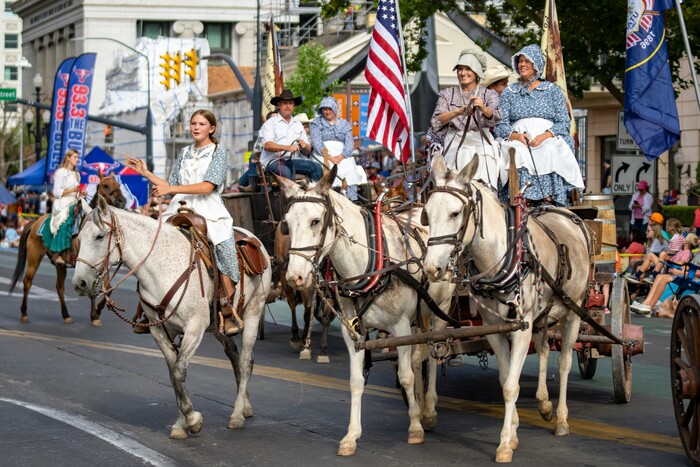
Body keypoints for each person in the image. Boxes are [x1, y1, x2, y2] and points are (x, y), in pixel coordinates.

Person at [127, 109, 243, 336]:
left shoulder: (218, 152)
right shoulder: (184, 152)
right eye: (193, 123)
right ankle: (145, 307)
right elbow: (170, 183)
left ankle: (227, 309)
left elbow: (208, 187)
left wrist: (171, 189)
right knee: (153, 243)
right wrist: (147, 173)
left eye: (201, 124)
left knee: (222, 243)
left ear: (211, 128)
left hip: (208, 208)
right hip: (179, 206)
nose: (196, 127)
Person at [496, 44, 584, 206]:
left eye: (526, 61)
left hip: (546, 136)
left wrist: (545, 135)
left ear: (536, 64)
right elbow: (501, 124)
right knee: (518, 152)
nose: (522, 64)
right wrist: (516, 136)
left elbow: (564, 123)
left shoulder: (552, 90)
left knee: (550, 149)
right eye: (520, 61)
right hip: (520, 138)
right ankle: (522, 195)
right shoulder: (509, 92)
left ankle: (551, 195)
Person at [430, 48, 501, 189]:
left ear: (477, 72)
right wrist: (458, 112)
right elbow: (437, 120)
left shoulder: (489, 94)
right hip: (456, 139)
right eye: (460, 69)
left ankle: (487, 195)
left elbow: (496, 117)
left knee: (487, 157)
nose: (463, 73)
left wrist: (483, 108)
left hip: (481, 140)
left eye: (468, 68)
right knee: (458, 166)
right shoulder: (447, 93)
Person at [310, 96, 366, 201]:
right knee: (325, 169)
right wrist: (329, 157)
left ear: (335, 109)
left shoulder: (345, 125)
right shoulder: (316, 123)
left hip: (342, 155)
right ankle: (329, 199)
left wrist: (342, 156)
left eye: (330, 109)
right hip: (323, 153)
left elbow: (349, 143)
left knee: (351, 167)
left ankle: (352, 199)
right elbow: (316, 142)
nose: (327, 112)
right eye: (325, 109)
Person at [259, 89, 323, 182]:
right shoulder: (270, 123)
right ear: (279, 105)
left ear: (294, 106)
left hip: (292, 161)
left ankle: (314, 194)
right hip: (273, 161)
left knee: (317, 167)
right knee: (287, 172)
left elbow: (308, 151)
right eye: (285, 103)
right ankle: (291, 197)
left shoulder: (298, 124)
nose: (288, 106)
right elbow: (267, 145)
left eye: (290, 103)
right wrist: (287, 147)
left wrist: (304, 145)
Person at [631, 234, 699, 315]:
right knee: (659, 276)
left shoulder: (689, 253)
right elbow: (689, 267)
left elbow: (697, 272)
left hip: (693, 279)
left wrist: (680, 272)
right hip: (688, 275)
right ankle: (646, 303)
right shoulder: (697, 255)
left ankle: (649, 307)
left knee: (664, 278)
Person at [40, 149, 82, 265]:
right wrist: (72, 190)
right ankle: (57, 254)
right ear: (68, 158)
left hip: (75, 200)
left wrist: (80, 193)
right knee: (66, 220)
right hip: (63, 203)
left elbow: (76, 192)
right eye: (75, 157)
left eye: (78, 157)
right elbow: (56, 192)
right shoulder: (61, 172)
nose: (77, 159)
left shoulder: (77, 174)